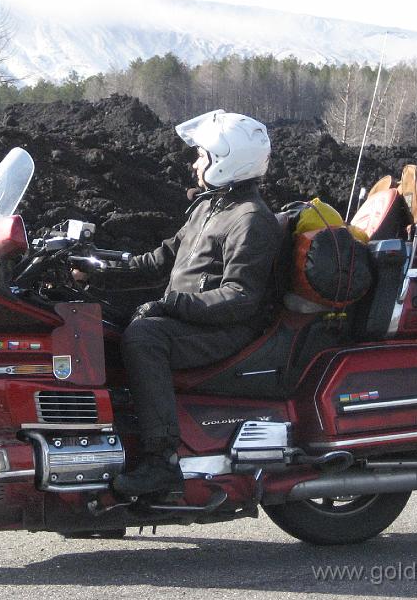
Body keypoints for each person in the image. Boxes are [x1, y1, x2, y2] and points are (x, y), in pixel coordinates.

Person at [77, 110, 281, 497]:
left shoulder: (250, 219)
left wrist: (171, 305)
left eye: (202, 156)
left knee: (145, 338)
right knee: (98, 321)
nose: (195, 162)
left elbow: (241, 297)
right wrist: (95, 269)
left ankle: (161, 462)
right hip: (197, 319)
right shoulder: (211, 207)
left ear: (227, 161)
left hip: (225, 330)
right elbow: (161, 259)